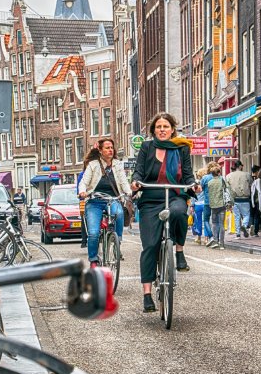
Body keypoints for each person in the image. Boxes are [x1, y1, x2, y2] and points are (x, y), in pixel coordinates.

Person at [131, 113, 197, 313]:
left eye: (165, 126)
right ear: (153, 130)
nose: (162, 129)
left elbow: (187, 174)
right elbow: (139, 171)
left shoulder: (181, 148)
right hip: (151, 198)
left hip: (175, 193)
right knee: (150, 245)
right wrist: (135, 182)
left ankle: (179, 251)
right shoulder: (146, 147)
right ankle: (147, 295)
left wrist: (193, 185)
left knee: (179, 213)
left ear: (172, 129)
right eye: (158, 126)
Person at [78, 138, 131, 267]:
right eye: (107, 148)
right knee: (94, 233)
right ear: (100, 151)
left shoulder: (118, 164)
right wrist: (83, 191)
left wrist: (129, 192)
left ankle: (117, 241)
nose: (110, 150)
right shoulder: (93, 165)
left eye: (112, 147)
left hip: (112, 199)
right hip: (94, 201)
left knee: (118, 213)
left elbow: (123, 181)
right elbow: (84, 182)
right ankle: (93, 260)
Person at [226, 160, 252, 238]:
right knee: (246, 214)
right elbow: (252, 184)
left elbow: (227, 188)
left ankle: (237, 234)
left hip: (235, 199)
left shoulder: (229, 176)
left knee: (236, 216)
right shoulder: (247, 175)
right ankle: (244, 225)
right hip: (245, 198)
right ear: (240, 166)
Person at [205, 164, 228, 249]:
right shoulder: (222, 180)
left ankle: (215, 240)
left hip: (213, 205)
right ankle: (222, 244)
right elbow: (227, 189)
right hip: (221, 204)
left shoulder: (209, 182)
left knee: (214, 223)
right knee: (222, 224)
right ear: (218, 173)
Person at [192, 168, 210, 244]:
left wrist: (192, 205)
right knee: (206, 221)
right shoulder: (207, 182)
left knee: (198, 221)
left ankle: (199, 238)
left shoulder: (195, 183)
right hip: (205, 203)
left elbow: (192, 194)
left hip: (197, 204)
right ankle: (206, 239)